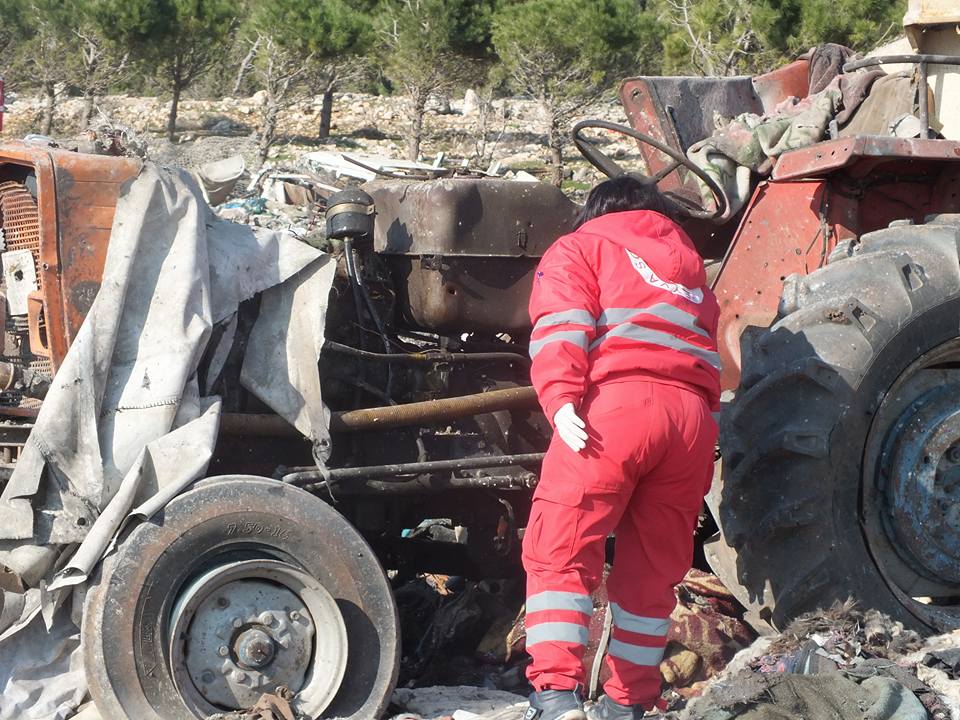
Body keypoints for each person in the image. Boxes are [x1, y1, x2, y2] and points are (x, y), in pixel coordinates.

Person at [522, 175, 721, 720]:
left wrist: (561, 400)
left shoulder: (581, 246)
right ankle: (627, 702)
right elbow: (708, 352)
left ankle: (556, 695)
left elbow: (562, 325)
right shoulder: (691, 269)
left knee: (561, 549)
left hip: (615, 413)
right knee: (653, 572)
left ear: (597, 209)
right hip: (691, 422)